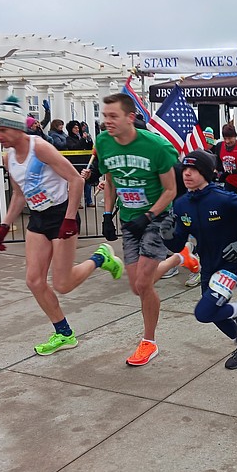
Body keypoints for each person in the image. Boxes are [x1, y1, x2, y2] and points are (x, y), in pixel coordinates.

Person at [0, 96, 124, 355]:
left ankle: (100, 257)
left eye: (2, 130)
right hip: (38, 219)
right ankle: (64, 333)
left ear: (16, 127)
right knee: (34, 281)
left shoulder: (41, 148)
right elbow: (18, 194)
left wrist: (70, 219)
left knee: (63, 284)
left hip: (62, 215)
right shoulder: (9, 158)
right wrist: (3, 227)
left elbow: (76, 180)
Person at [164, 150, 237, 370]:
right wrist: (167, 237)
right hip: (208, 265)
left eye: (193, 169)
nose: (187, 174)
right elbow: (177, 244)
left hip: (232, 264)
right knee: (213, 313)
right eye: (185, 169)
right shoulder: (181, 204)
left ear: (205, 172)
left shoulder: (223, 197)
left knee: (203, 312)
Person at [97, 93, 180, 366]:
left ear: (130, 117)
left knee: (144, 283)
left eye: (113, 116)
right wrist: (108, 214)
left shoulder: (156, 146)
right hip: (129, 220)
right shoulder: (103, 142)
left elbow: (171, 190)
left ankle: (149, 341)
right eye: (104, 115)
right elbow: (110, 181)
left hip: (158, 218)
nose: (107, 121)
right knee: (136, 287)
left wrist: (149, 215)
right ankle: (179, 258)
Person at [211, 124, 237, 194]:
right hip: (229, 183)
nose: (227, 141)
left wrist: (230, 172)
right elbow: (218, 164)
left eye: (230, 138)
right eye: (225, 138)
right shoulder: (219, 146)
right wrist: (215, 172)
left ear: (235, 136)